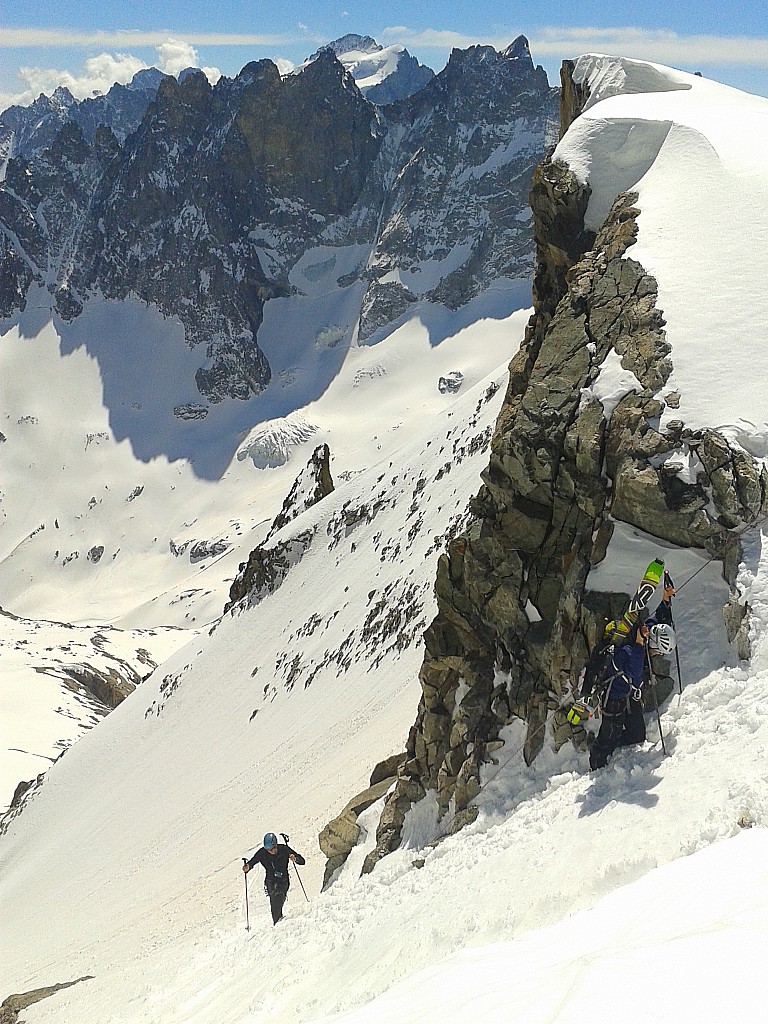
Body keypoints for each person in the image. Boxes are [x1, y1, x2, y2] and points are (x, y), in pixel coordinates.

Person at [588, 582, 676, 771]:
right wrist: (638, 644)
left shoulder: (645, 637)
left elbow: (659, 620)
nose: (658, 655)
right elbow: (634, 672)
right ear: (651, 643)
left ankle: (616, 744)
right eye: (657, 651)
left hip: (630, 696)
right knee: (608, 736)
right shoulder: (630, 650)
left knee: (637, 735)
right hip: (615, 697)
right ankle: (596, 765)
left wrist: (666, 600)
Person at [243, 832, 305, 925]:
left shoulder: (283, 849)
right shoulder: (262, 853)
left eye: (272, 849)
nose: (271, 851)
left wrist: (295, 858)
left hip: (283, 881)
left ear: (276, 844)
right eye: (268, 849)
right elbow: (252, 862)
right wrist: (248, 867)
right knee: (274, 905)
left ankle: (278, 924)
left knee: (278, 901)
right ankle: (278, 923)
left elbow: (302, 861)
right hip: (270, 882)